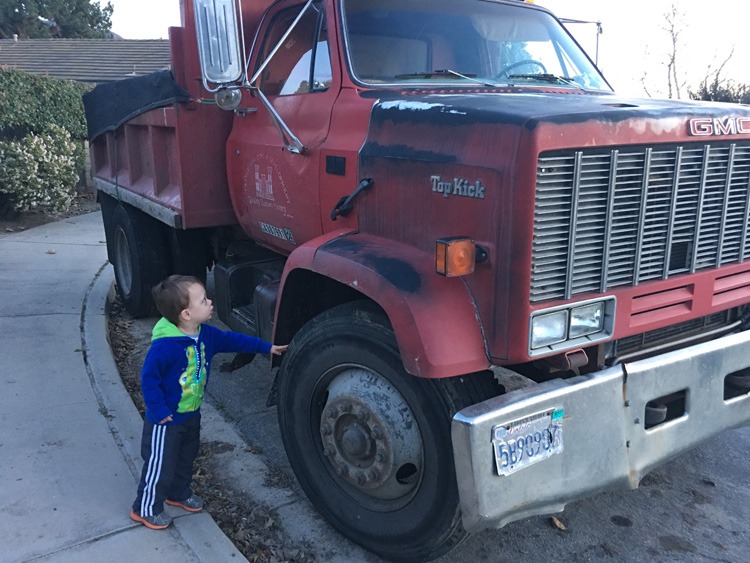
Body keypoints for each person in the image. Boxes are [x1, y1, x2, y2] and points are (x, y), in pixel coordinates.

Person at [130, 274, 288, 529]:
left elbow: (234, 340)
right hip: (165, 421)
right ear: (186, 314)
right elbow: (149, 379)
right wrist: (158, 410)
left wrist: (266, 347)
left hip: (191, 414)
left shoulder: (206, 335)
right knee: (160, 464)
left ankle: (178, 493)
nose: (210, 302)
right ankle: (146, 508)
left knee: (186, 457)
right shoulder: (164, 347)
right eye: (203, 300)